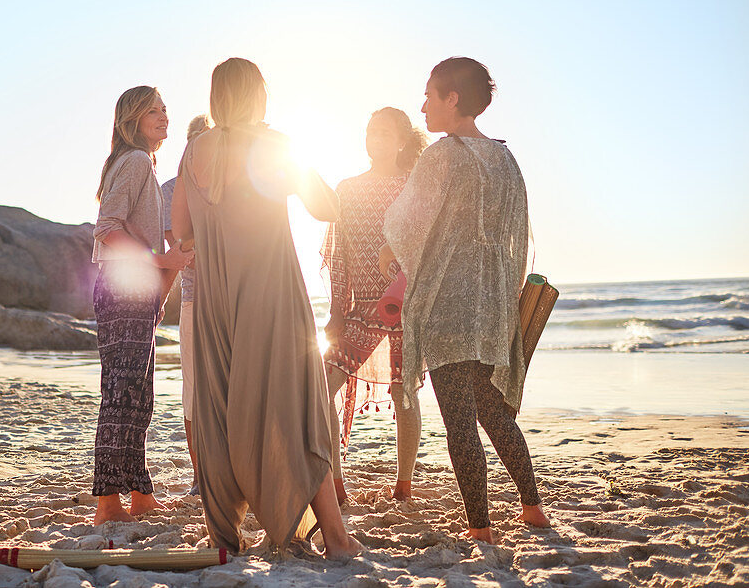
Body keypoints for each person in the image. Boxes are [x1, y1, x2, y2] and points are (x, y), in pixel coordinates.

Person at [171, 57, 362, 559]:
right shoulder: (274, 144)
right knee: (299, 408)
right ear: (256, 94)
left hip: (216, 298)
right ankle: (338, 539)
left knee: (220, 412)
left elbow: (182, 230)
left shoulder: (194, 151)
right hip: (273, 295)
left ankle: (225, 539)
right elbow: (328, 207)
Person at [380, 57, 550, 544]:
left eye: (430, 96)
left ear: (453, 98)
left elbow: (407, 222)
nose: (424, 107)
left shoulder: (442, 155)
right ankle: (532, 506)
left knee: (459, 421)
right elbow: (518, 237)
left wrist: (390, 250)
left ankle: (481, 526)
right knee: (493, 410)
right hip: (494, 308)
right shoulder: (505, 159)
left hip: (447, 309)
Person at [91, 86, 194, 526]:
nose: (164, 116)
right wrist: (159, 261)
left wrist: (159, 288)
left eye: (165, 109)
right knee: (123, 395)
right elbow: (107, 228)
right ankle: (108, 505)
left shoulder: (142, 165)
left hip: (135, 292)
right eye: (153, 110)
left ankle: (140, 494)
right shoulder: (133, 162)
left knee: (137, 396)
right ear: (131, 119)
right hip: (122, 288)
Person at [321, 107, 427, 505]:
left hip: (406, 306)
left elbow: (426, 246)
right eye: (370, 132)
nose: (375, 139)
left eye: (384, 133)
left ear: (402, 140)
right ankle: (336, 481)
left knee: (405, 394)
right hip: (359, 310)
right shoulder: (346, 189)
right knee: (320, 387)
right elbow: (339, 256)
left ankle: (404, 482)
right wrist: (335, 310)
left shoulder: (415, 186)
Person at [159, 114, 211, 495]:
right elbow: (176, 251)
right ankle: (199, 475)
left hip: (238, 300)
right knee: (193, 392)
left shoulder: (234, 185)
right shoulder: (171, 190)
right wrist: (161, 297)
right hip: (195, 301)